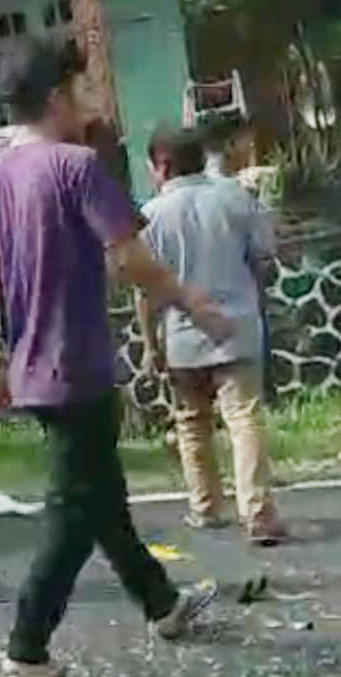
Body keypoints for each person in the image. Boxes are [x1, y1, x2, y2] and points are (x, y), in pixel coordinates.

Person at [0, 40, 234, 677]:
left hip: (30, 368)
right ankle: (27, 647)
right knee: (73, 509)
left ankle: (162, 604)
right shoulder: (78, 168)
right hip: (76, 365)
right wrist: (193, 303)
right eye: (83, 90)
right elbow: (129, 256)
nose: (91, 102)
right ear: (57, 97)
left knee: (101, 496)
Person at [140, 128, 287, 545]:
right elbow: (262, 257)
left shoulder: (149, 216)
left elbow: (146, 291)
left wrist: (151, 345)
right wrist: (254, 306)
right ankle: (257, 513)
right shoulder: (235, 198)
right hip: (237, 328)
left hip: (183, 338)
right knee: (244, 419)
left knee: (191, 423)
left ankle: (205, 506)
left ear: (162, 165)